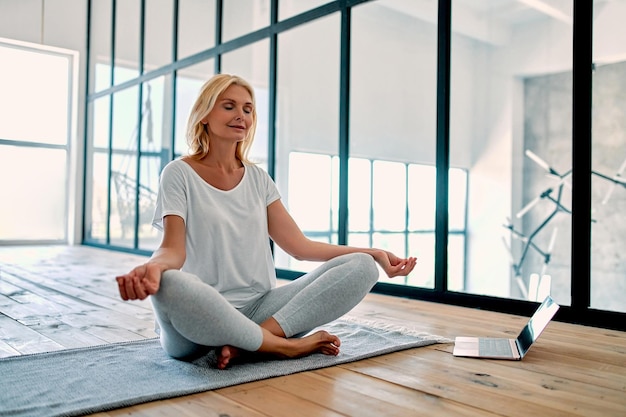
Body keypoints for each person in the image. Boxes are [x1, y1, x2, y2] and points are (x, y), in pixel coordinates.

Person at [115, 73, 417, 369]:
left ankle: (252, 341)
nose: (241, 115)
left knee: (362, 267)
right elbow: (173, 250)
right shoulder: (178, 173)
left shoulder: (258, 178)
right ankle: (283, 346)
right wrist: (152, 268)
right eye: (229, 106)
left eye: (248, 109)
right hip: (200, 322)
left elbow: (299, 247)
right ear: (204, 114)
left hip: (260, 309)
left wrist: (374, 253)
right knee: (169, 283)